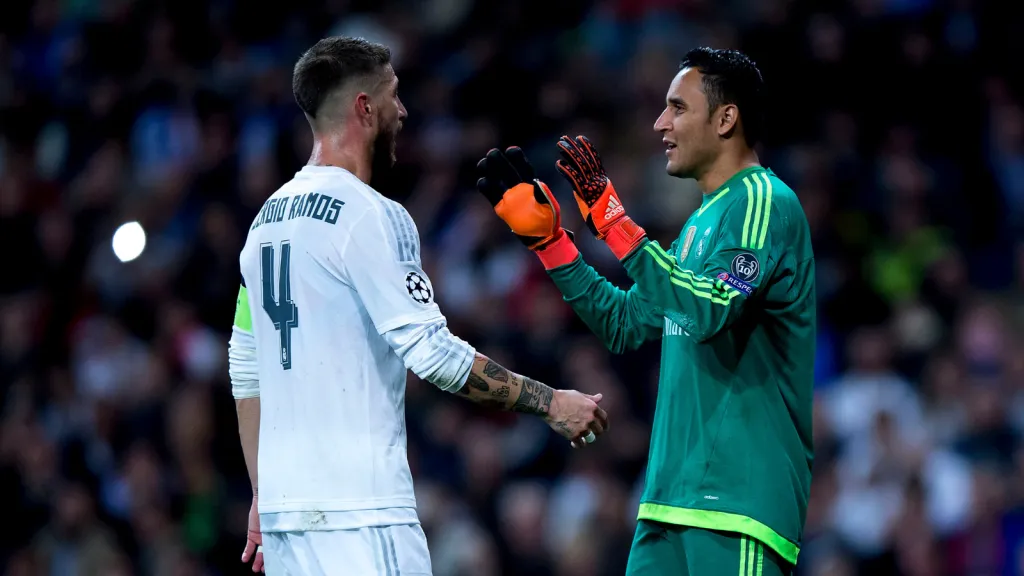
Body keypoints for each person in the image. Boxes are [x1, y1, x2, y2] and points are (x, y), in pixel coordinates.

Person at [227, 36, 608, 576]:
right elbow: (433, 355)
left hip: (288, 521)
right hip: (363, 516)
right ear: (365, 107)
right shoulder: (370, 214)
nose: (402, 112)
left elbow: (246, 368)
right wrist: (552, 404)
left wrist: (263, 494)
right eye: (394, 95)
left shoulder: (263, 225)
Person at [477, 47, 815, 575]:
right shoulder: (699, 226)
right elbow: (625, 322)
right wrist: (553, 245)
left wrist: (615, 223)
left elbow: (710, 309)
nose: (660, 124)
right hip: (665, 504)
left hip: (737, 503)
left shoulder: (762, 201)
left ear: (726, 119)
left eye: (677, 108)